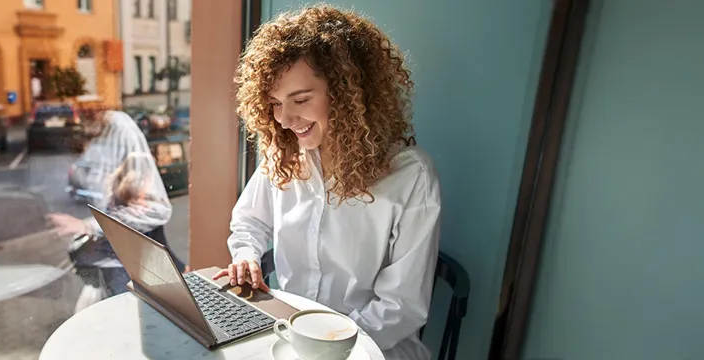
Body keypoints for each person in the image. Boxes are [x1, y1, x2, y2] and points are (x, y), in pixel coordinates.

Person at [214, 6, 442, 360]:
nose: (285, 119)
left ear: (348, 93)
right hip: (292, 336)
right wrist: (246, 255)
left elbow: (402, 308)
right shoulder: (284, 157)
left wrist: (329, 344)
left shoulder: (411, 177)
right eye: (274, 103)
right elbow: (250, 220)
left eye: (301, 99)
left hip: (370, 347)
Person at [48, 109, 176, 297]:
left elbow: (156, 209)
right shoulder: (101, 142)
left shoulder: (121, 132)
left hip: (136, 280)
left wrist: (89, 226)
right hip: (117, 278)